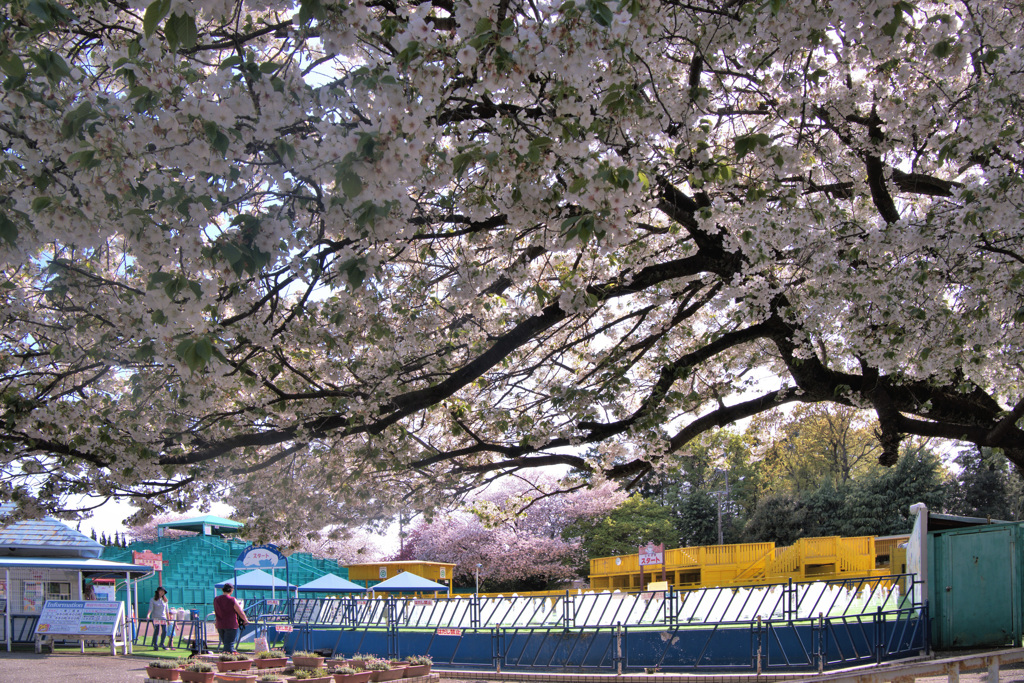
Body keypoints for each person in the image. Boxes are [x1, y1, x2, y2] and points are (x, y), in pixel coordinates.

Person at [213, 584, 248, 653]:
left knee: (226, 644)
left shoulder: (216, 599)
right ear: (231, 590)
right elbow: (240, 611)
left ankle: (226, 656)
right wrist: (245, 620)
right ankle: (228, 657)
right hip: (231, 624)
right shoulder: (232, 599)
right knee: (229, 645)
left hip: (220, 624)